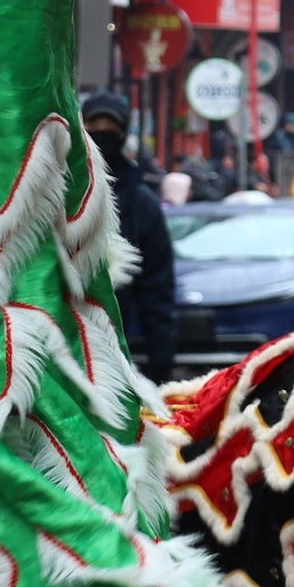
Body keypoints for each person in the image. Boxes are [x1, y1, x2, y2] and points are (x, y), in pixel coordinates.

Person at [83, 93, 176, 384]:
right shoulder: (60, 190)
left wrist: (161, 359)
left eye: (111, 125)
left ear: (124, 132)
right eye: (94, 123)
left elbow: (157, 287)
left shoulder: (142, 204)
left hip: (120, 347)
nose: (102, 130)